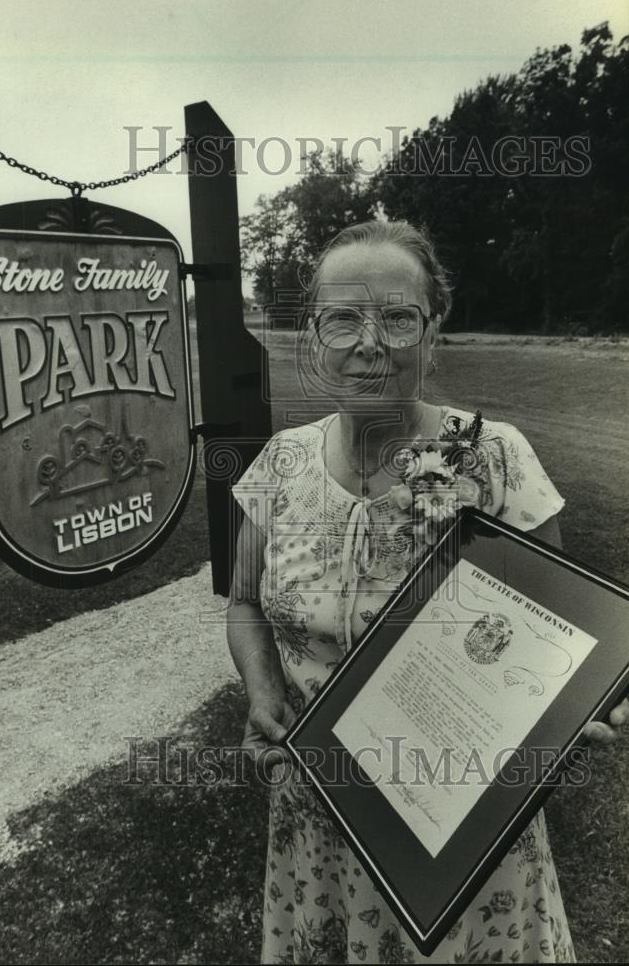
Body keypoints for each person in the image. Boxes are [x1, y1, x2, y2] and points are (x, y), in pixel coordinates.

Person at [227, 220, 628, 964]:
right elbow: (244, 603)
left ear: (431, 332)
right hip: (319, 819)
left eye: (397, 316)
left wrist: (568, 719)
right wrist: (260, 690)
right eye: (341, 317)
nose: (368, 341)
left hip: (466, 837)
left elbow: (565, 637)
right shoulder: (279, 465)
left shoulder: (494, 458)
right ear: (314, 337)